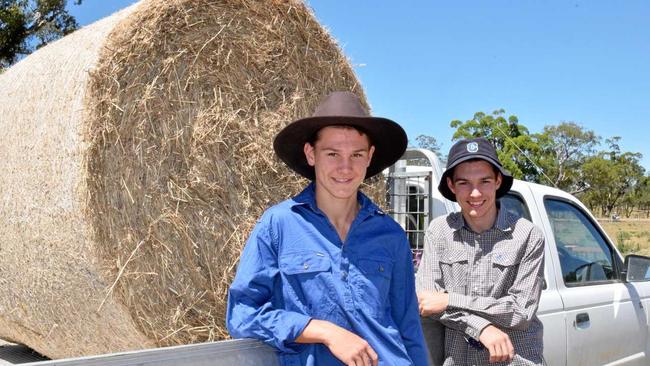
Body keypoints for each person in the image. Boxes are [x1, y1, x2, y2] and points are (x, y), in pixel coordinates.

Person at [226, 91, 428, 366]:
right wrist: (323, 332)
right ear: (311, 154)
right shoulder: (278, 225)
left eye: (356, 154)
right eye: (332, 153)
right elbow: (242, 314)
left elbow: (409, 326)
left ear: (370, 157)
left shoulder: (390, 234)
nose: (345, 167)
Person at [416, 137, 545, 365]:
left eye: (484, 181)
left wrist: (449, 300)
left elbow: (520, 312)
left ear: (497, 181)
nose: (475, 194)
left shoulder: (527, 236)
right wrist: (482, 327)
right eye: (464, 183)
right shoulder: (439, 231)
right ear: (451, 185)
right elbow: (427, 302)